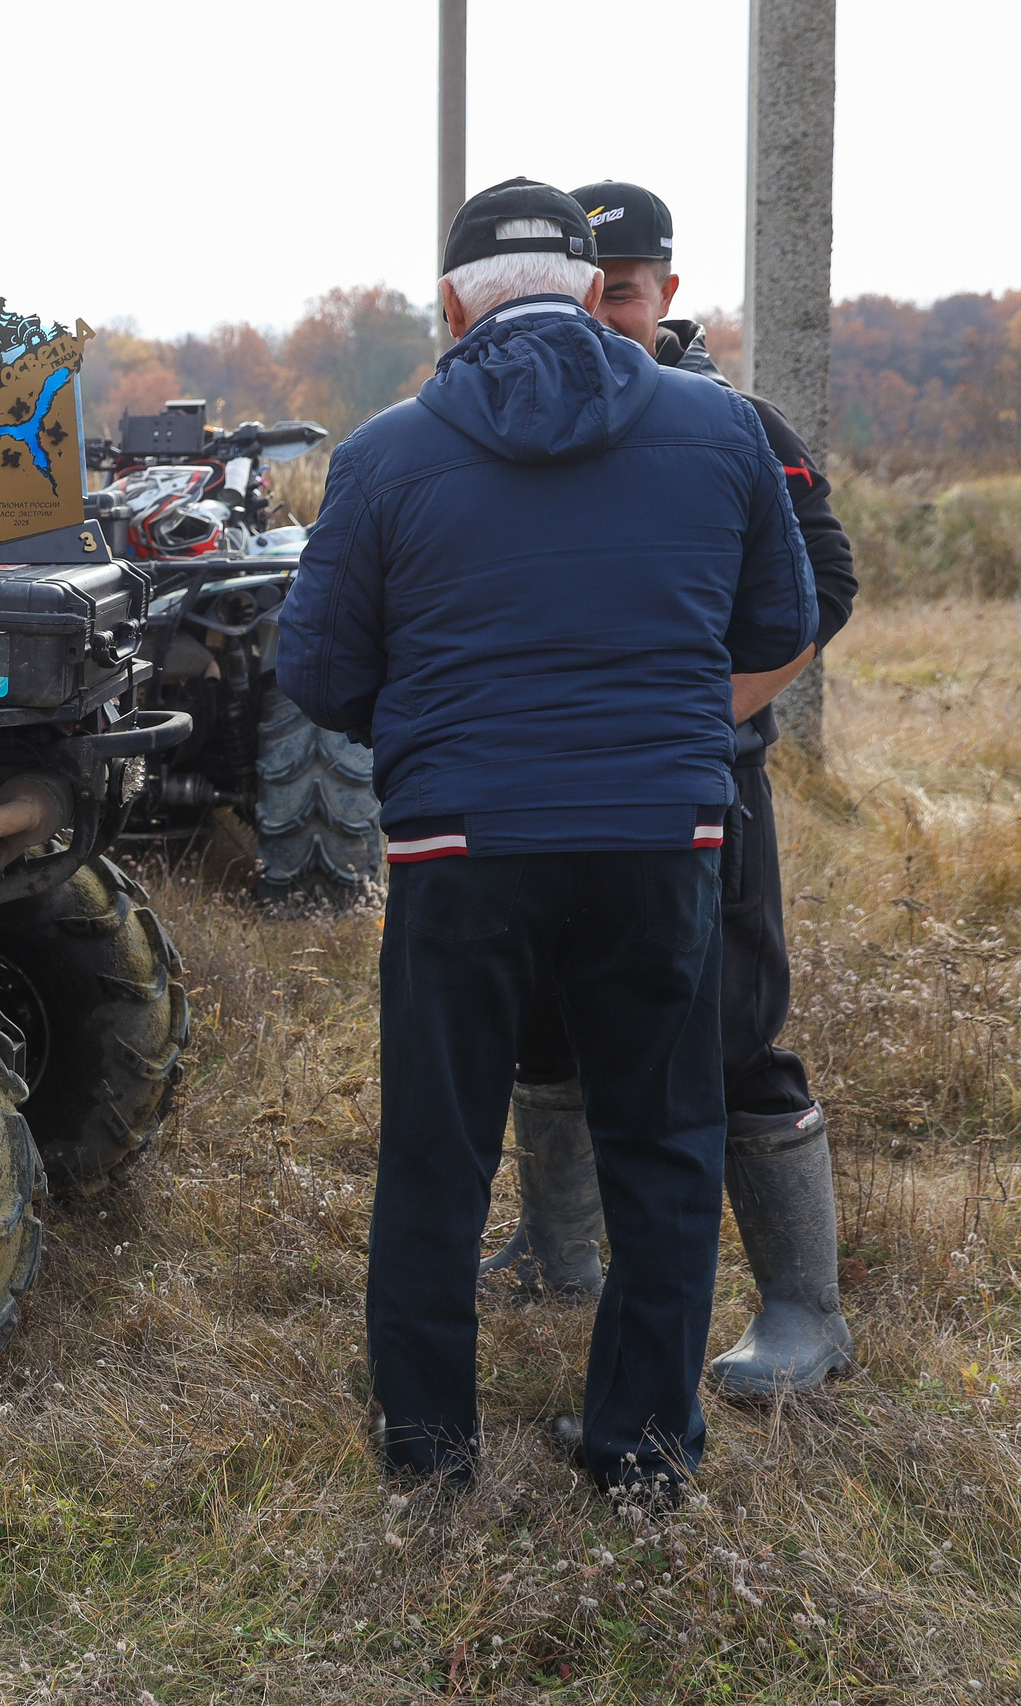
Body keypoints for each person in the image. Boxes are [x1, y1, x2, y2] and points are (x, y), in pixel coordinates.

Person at [278, 177, 817, 1499]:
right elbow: (779, 626)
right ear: (596, 291)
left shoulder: (384, 454)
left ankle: (429, 1454)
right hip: (661, 838)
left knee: (437, 1155)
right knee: (666, 1144)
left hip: (461, 849)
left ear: (453, 303)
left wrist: (431, 730)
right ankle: (637, 1452)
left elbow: (319, 671)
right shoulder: (719, 428)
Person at [481, 181, 860, 1399]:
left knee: (731, 1030)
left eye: (630, 292)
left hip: (702, 792)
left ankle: (803, 1309)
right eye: (597, 292)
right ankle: (559, 1248)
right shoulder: (527, 421)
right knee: (545, 1023)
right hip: (541, 791)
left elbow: (822, 583)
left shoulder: (731, 421)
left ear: (661, 293)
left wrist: (709, 713)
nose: (609, 315)